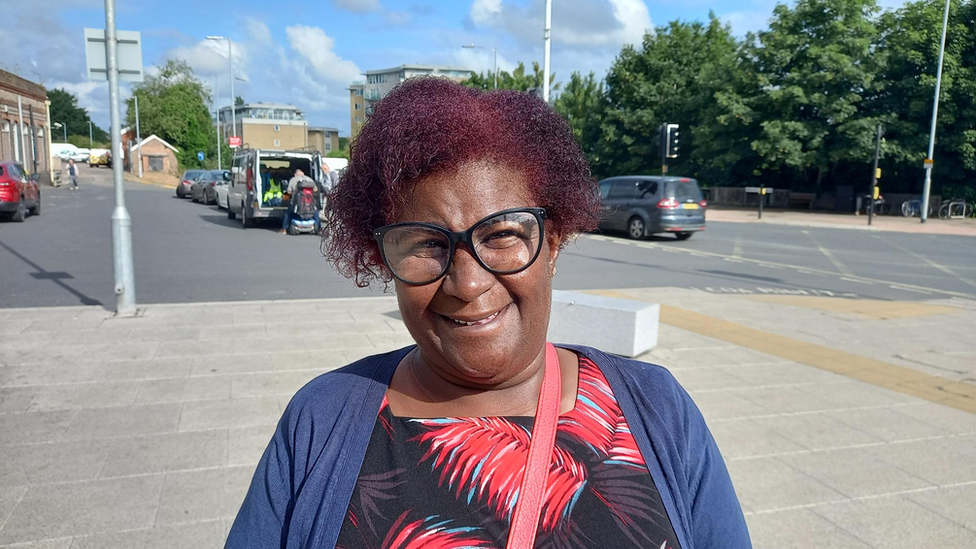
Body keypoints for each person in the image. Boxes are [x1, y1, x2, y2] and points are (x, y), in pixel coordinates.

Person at [227, 78, 751, 548]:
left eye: (501, 234)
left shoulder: (659, 411)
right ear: (381, 256)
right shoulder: (321, 421)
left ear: (555, 241)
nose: (468, 283)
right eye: (427, 244)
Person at [280, 168, 316, 235]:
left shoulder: (293, 180)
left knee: (288, 214)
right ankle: (318, 228)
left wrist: (285, 198)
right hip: (309, 203)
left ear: (295, 174)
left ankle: (284, 229)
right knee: (315, 213)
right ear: (303, 173)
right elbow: (315, 190)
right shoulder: (310, 179)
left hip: (296, 203)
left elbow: (289, 192)